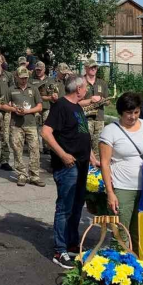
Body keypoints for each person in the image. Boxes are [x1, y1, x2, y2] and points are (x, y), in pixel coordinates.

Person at [42, 75, 97, 269]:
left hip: (82, 165)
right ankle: (60, 250)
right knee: (65, 207)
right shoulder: (61, 106)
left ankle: (73, 243)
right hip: (68, 166)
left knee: (76, 206)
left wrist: (92, 158)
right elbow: (46, 132)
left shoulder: (77, 107)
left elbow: (82, 135)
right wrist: (63, 154)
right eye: (85, 88)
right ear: (79, 89)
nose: (87, 91)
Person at [99, 92, 143, 255]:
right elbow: (105, 163)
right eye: (128, 113)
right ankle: (119, 269)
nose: (133, 117)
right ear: (121, 112)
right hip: (122, 187)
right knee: (120, 232)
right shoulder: (110, 131)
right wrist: (110, 193)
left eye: (136, 112)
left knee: (139, 231)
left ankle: (138, 268)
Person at [2, 67, 45, 187]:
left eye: (26, 78)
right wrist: (13, 109)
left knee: (35, 149)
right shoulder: (11, 90)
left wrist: (28, 111)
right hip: (16, 125)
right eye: (21, 78)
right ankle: (21, 174)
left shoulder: (34, 89)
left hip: (31, 124)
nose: (24, 80)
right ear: (16, 77)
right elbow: (4, 105)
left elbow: (40, 107)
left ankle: (34, 176)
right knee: (17, 150)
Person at [80, 59, 110, 157]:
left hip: (99, 119)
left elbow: (108, 102)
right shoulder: (80, 82)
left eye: (95, 67)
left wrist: (101, 99)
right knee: (84, 145)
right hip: (84, 118)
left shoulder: (102, 83)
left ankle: (95, 169)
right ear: (86, 68)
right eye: (92, 67)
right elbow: (76, 102)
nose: (94, 69)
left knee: (98, 146)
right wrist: (90, 100)